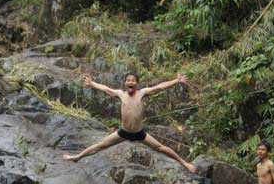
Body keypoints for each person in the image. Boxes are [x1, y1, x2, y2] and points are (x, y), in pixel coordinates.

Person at [63, 73, 198, 173]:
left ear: (136, 84)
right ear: (125, 84)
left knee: (161, 148)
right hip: (123, 132)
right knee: (100, 145)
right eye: (128, 80)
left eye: (133, 80)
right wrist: (92, 84)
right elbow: (105, 89)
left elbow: (159, 87)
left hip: (139, 133)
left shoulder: (142, 93)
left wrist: (176, 81)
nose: (130, 82)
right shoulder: (121, 94)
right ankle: (77, 157)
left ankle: (184, 163)